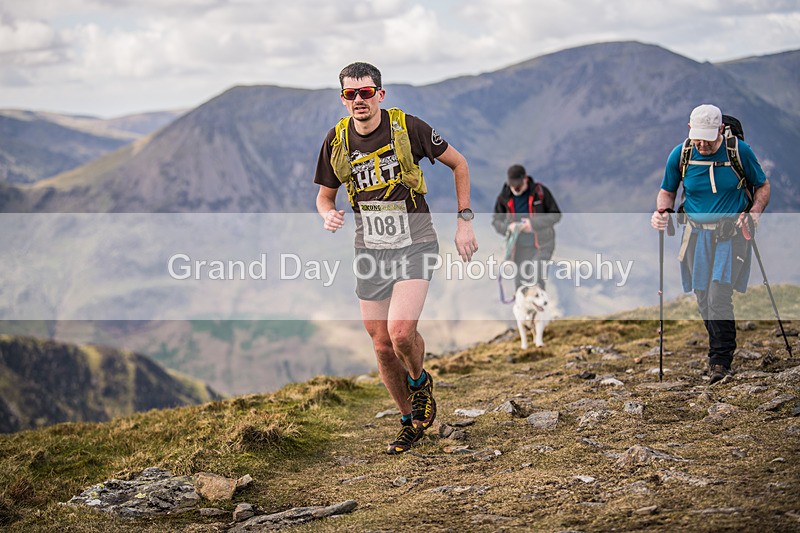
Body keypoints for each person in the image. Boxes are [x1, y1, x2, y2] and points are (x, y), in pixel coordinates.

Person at [314, 62, 478, 454]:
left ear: (380, 95)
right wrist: (327, 214)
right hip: (369, 250)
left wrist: (465, 222)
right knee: (381, 344)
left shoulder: (408, 128)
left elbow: (460, 164)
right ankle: (410, 420)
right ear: (343, 99)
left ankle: (420, 383)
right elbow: (324, 196)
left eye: (365, 93)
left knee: (401, 332)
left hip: (415, 242)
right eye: (350, 94)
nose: (358, 100)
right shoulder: (337, 141)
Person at [651, 104, 770, 385]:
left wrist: (754, 214)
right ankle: (720, 348)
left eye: (707, 137)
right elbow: (667, 192)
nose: (702, 144)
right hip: (695, 235)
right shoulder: (680, 154)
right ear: (690, 130)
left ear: (720, 130)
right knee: (703, 296)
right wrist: (662, 213)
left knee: (718, 294)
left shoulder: (739, 152)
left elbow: (762, 186)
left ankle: (720, 360)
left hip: (731, 235)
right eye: (697, 137)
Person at [491, 164, 561, 289]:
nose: (516, 189)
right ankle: (524, 307)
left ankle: (538, 305)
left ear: (525, 179)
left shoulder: (540, 192)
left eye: (518, 186)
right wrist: (508, 228)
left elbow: (556, 215)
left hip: (542, 245)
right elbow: (496, 221)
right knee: (521, 286)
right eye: (513, 186)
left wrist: (532, 224)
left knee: (536, 280)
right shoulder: (504, 197)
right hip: (519, 248)